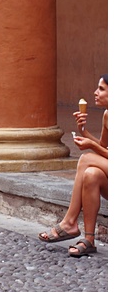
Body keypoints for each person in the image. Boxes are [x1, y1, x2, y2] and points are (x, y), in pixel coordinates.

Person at [38, 75, 108, 257]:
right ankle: (89, 239)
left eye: (101, 88)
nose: (95, 92)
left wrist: (91, 146)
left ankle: (69, 222)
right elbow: (104, 148)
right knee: (91, 174)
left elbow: (98, 150)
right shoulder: (108, 115)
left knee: (85, 159)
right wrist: (84, 132)